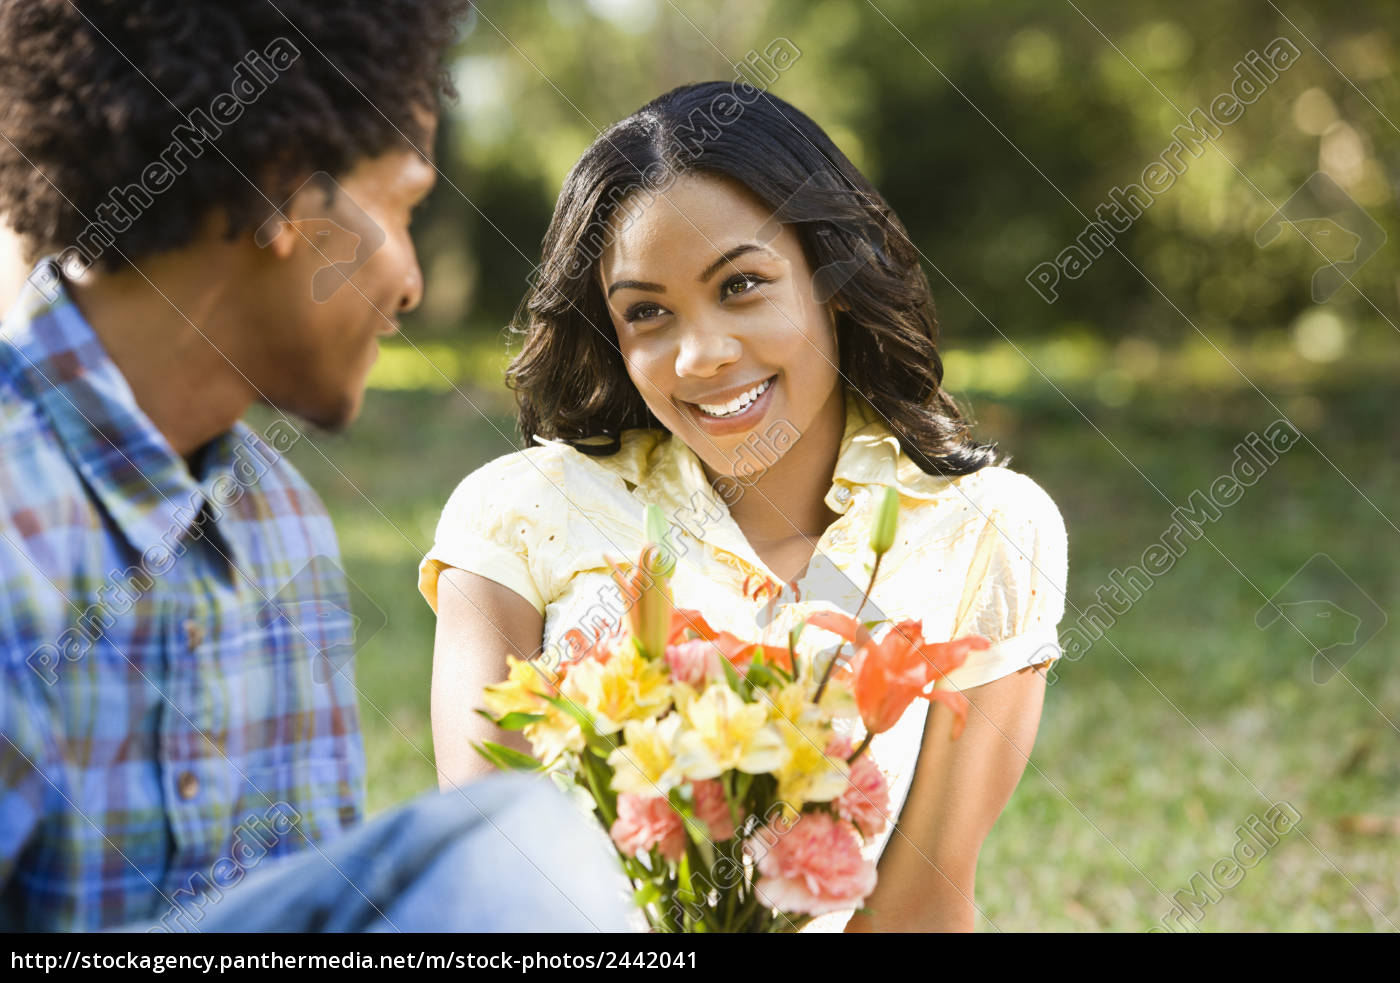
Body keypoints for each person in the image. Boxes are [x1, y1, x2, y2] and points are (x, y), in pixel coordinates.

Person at [0, 0, 632, 933]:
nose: (412, 281)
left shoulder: (278, 519)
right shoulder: (19, 525)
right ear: (286, 194)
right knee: (516, 868)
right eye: (403, 206)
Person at [419, 80, 1071, 933]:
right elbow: (493, 888)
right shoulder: (518, 515)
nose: (701, 354)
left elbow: (919, 907)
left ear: (833, 278)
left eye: (742, 286)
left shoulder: (988, 533)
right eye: (647, 311)